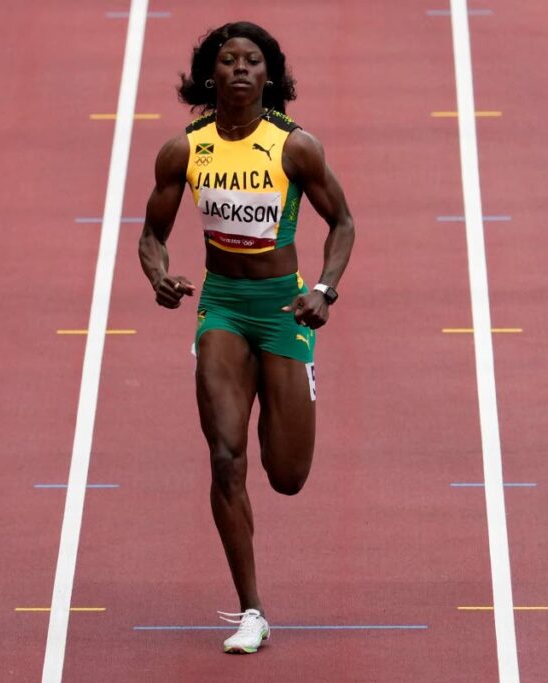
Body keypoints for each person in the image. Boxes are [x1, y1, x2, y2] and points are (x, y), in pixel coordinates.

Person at [138, 22, 355, 653]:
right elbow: (151, 232)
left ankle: (289, 386)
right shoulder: (185, 149)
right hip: (223, 307)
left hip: (282, 308)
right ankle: (251, 611)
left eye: (252, 61)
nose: (239, 69)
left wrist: (325, 290)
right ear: (211, 76)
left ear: (270, 76)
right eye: (227, 60)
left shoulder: (295, 148)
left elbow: (342, 221)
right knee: (226, 457)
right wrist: (158, 276)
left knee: (286, 475)